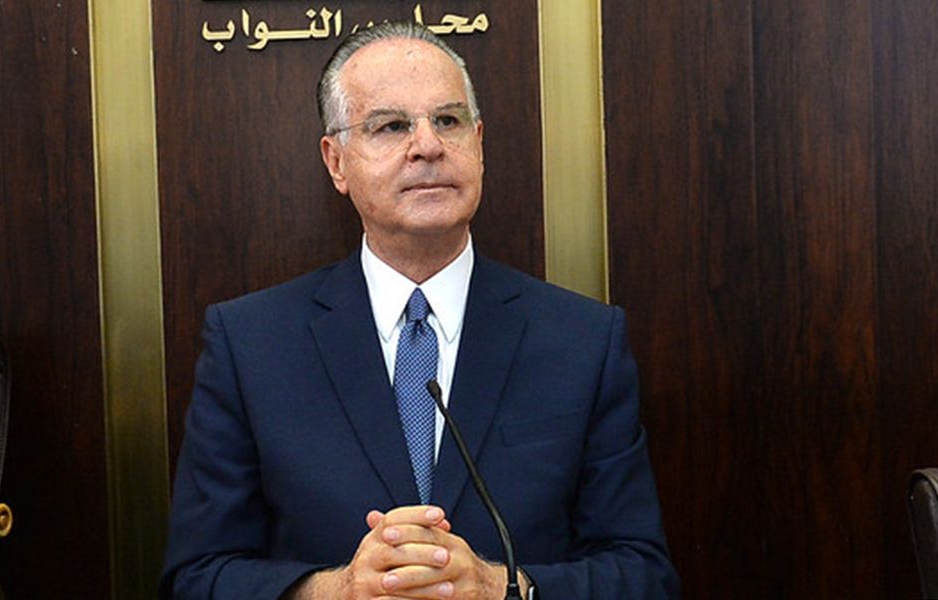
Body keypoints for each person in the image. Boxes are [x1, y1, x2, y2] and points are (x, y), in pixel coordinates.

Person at [160, 21, 679, 600]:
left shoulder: (583, 340)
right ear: (336, 162)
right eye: (391, 126)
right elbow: (196, 577)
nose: (428, 146)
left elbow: (643, 575)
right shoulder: (250, 344)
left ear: (478, 144)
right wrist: (338, 591)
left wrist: (501, 587)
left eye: (449, 121)